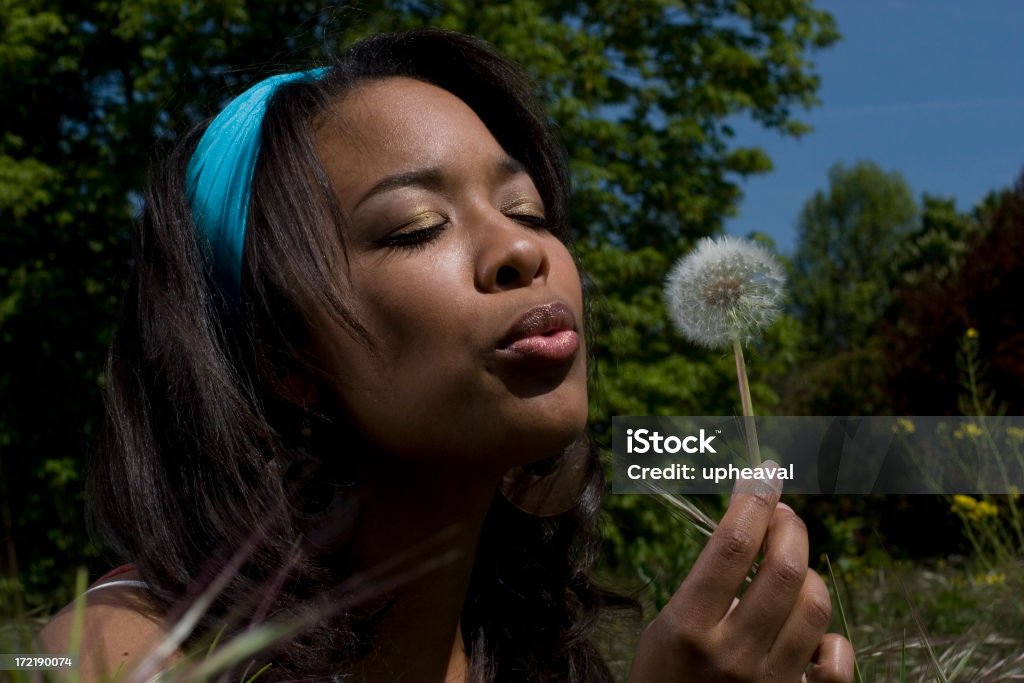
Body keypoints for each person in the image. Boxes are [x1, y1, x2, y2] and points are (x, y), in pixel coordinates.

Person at [38, 28, 854, 682]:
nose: (521, 250)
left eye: (528, 210)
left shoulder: (533, 651)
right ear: (281, 350)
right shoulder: (112, 651)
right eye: (416, 226)